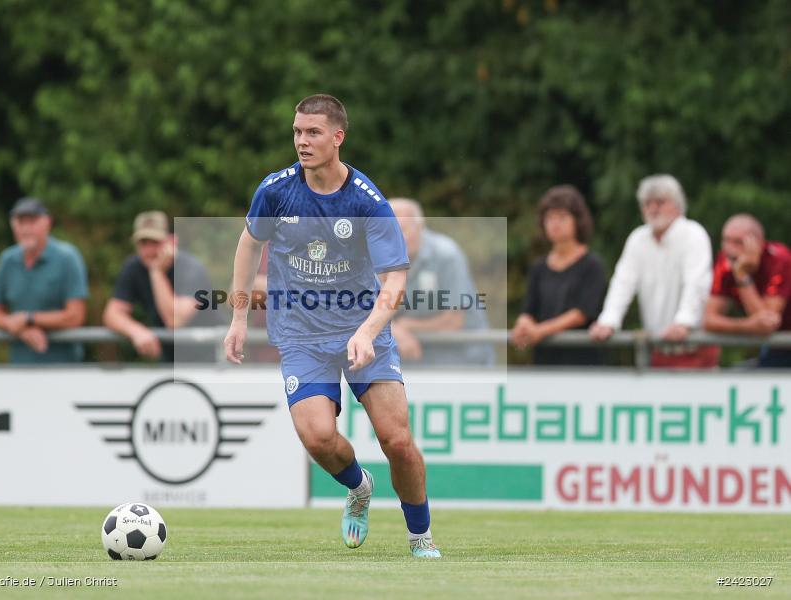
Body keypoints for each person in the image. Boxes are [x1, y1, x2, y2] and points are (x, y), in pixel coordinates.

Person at [223, 94, 440, 558]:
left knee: (397, 441)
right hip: (301, 334)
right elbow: (247, 246)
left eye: (313, 132)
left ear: (338, 137)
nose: (302, 141)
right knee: (318, 436)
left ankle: (420, 536)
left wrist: (366, 331)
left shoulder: (366, 201)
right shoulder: (276, 190)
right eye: (298, 132)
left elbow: (395, 278)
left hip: (363, 332)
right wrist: (239, 316)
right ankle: (359, 488)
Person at [589, 175, 717, 368]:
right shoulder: (638, 239)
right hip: (658, 348)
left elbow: (697, 282)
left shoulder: (693, 234)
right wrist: (609, 320)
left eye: (660, 202)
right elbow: (623, 282)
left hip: (694, 346)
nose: (653, 208)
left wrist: (684, 322)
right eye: (647, 203)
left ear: (678, 205)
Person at [103, 211, 222, 362]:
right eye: (143, 243)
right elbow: (112, 313)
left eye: (156, 242)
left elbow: (174, 320)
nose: (149, 250)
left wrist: (157, 273)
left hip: (212, 359)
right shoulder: (134, 267)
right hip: (171, 360)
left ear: (172, 241)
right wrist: (136, 331)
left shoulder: (191, 268)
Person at [388, 198, 493, 366]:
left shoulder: (447, 255)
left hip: (465, 360)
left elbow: (454, 321)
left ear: (420, 227)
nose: (396, 238)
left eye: (402, 230)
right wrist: (394, 329)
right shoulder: (379, 257)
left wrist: (407, 326)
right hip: (416, 361)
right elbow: (367, 310)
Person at [0, 197, 88, 363]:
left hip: (64, 368)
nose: (26, 229)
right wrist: (19, 328)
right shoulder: (7, 260)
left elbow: (76, 316)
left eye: (32, 221)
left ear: (47, 222)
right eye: (20, 222)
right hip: (20, 368)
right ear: (13, 226)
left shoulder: (67, 258)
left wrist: (29, 318)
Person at [513, 186, 607, 365]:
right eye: (550, 218)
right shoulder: (539, 267)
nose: (555, 224)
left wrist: (540, 331)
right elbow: (529, 310)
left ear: (577, 221)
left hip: (582, 363)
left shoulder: (592, 265)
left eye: (562, 217)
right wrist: (523, 325)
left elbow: (581, 313)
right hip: (545, 362)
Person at [703, 214, 791, 367]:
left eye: (738, 242)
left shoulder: (779, 259)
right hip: (776, 345)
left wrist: (742, 276)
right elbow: (709, 320)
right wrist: (747, 326)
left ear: (758, 243)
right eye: (726, 240)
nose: (730, 248)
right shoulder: (725, 261)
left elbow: (767, 322)